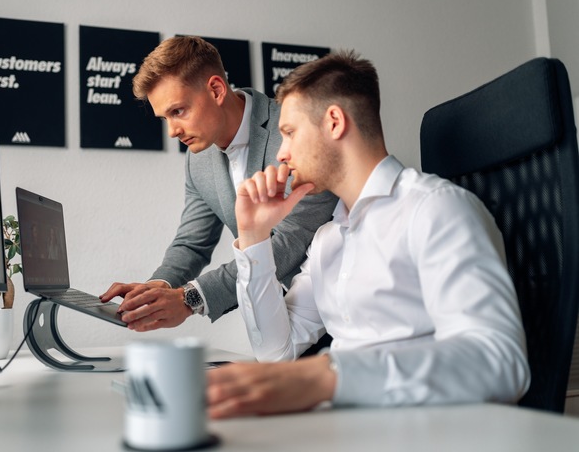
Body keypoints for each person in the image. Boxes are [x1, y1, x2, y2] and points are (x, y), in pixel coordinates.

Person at [206, 50, 530, 418]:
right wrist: (254, 237)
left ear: (333, 122)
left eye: (290, 133)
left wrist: (328, 376)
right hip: (349, 429)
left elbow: (500, 361)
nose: (281, 154)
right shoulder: (329, 238)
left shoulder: (434, 209)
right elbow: (276, 352)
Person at [100, 36, 338, 332]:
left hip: (349, 308)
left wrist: (190, 298)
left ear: (215, 89)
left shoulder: (295, 131)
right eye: (164, 118)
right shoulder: (197, 161)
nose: (172, 131)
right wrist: (155, 290)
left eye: (178, 111)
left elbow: (291, 241)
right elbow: (192, 243)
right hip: (286, 321)